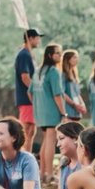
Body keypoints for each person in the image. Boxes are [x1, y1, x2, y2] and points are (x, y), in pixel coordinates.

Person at [42, 122, 85, 189]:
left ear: (75, 138)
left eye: (61, 139)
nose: (58, 144)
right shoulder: (64, 163)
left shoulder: (85, 165)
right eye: (57, 140)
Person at [33, 43, 65, 179]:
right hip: (51, 112)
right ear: (50, 55)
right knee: (51, 142)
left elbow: (30, 92)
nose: (60, 55)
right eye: (57, 53)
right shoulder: (53, 72)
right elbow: (57, 95)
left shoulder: (37, 71)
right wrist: (63, 113)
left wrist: (39, 103)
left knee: (46, 141)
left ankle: (41, 173)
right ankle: (50, 173)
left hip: (40, 112)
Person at [15, 29, 43, 156]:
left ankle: (27, 156)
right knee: (26, 129)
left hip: (31, 99)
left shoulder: (29, 55)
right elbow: (25, 77)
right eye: (37, 38)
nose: (39, 40)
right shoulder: (24, 55)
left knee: (31, 130)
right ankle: (22, 158)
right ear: (30, 38)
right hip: (27, 98)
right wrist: (36, 92)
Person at [60, 50, 86, 121]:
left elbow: (77, 93)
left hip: (77, 111)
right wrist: (74, 105)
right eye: (74, 57)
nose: (76, 59)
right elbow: (62, 93)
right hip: (69, 111)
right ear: (68, 60)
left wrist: (82, 104)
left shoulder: (74, 75)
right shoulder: (63, 75)